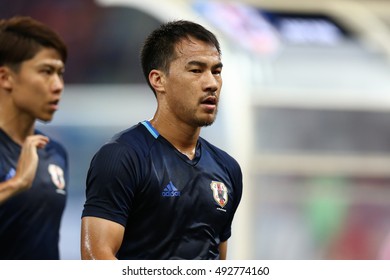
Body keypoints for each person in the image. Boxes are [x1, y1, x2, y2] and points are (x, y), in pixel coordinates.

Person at [81, 20, 243, 260]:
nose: (211, 84)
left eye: (216, 71)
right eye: (196, 70)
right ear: (159, 80)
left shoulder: (228, 168)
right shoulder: (122, 157)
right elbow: (96, 257)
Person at [0, 16, 68, 260]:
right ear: (6, 77)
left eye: (60, 73)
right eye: (46, 71)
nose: (58, 85)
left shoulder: (55, 153)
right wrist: (16, 184)